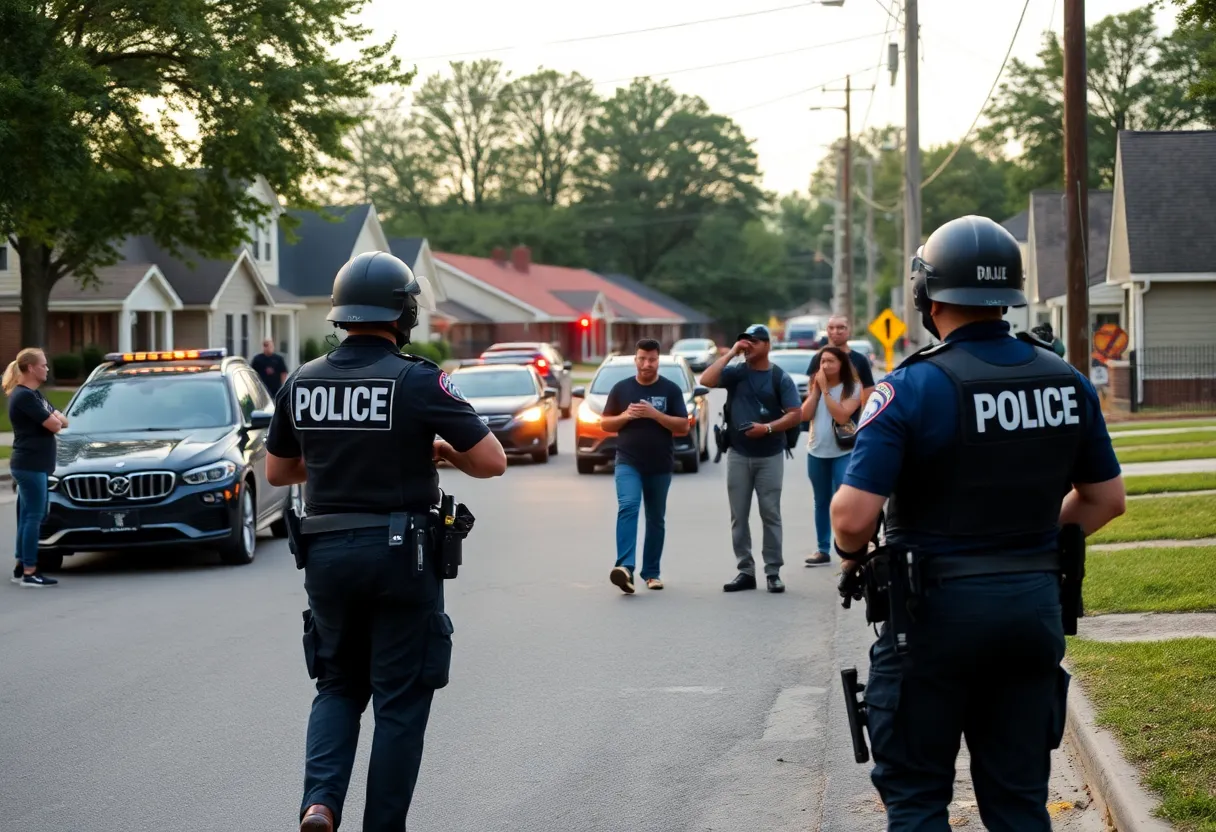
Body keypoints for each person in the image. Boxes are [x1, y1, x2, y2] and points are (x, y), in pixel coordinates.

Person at [830, 215, 1126, 830]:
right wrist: (1038, 535)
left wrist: (848, 553)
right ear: (1010, 295)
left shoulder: (910, 387)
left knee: (917, 800)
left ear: (927, 296)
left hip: (932, 622)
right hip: (1030, 612)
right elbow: (1104, 500)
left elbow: (853, 518)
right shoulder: (1067, 381)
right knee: (1019, 802)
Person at [264, 251, 507, 832]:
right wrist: (444, 453)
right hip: (402, 557)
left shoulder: (302, 381)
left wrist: (331, 463)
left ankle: (320, 803)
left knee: (338, 684)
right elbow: (492, 461)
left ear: (340, 313)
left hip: (325, 556)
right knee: (399, 700)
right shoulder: (418, 379)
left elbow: (278, 472)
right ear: (405, 312)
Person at [699, 324, 802, 594]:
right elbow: (706, 381)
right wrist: (732, 352)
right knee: (739, 516)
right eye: (743, 341)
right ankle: (745, 570)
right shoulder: (736, 373)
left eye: (753, 342)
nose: (748, 346)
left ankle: (773, 572)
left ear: (767, 345)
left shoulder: (779, 377)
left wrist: (767, 428)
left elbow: (795, 413)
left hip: (769, 455)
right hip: (738, 453)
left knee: (770, 513)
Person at [601, 338, 690, 594]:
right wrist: (626, 416)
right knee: (628, 507)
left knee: (655, 519)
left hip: (660, 465)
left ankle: (651, 573)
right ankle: (625, 568)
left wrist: (656, 415)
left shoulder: (670, 390)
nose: (646, 364)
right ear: (635, 359)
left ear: (658, 360)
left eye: (651, 359)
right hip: (628, 462)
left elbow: (683, 426)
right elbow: (605, 424)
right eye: (641, 358)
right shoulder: (621, 389)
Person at [5, 348, 67, 588]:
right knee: (34, 516)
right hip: (30, 464)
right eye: (43, 365)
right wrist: (54, 418)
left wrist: (55, 417)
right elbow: (55, 425)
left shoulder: (35, 395)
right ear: (31, 368)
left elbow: (63, 419)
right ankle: (31, 571)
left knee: (25, 517)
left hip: (34, 464)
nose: (47, 368)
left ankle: (21, 566)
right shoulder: (24, 397)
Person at [800, 346, 861, 567]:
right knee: (821, 501)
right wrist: (816, 390)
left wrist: (825, 390)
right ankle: (822, 549)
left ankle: (847, 549)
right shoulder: (816, 386)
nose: (825, 366)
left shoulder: (853, 388)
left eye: (830, 362)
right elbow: (804, 415)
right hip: (816, 451)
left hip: (843, 452)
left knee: (842, 502)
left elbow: (842, 415)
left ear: (841, 364)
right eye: (822, 362)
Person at [805, 314, 876, 415]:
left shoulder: (860, 360)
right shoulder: (817, 358)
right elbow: (810, 392)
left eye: (840, 327)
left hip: (850, 422)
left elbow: (869, 393)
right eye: (831, 328)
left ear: (849, 330)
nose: (835, 332)